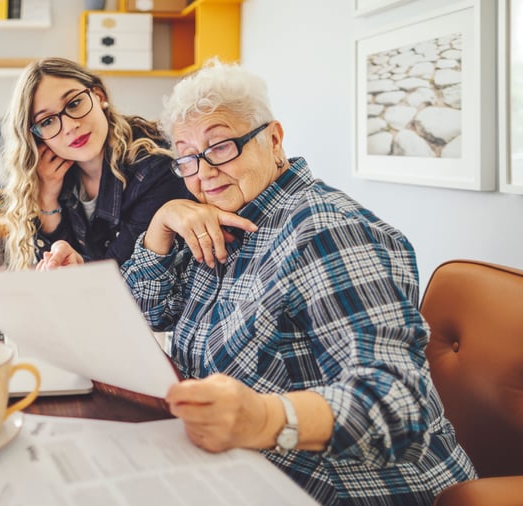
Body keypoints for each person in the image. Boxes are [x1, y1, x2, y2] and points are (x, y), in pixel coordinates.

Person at [120, 60, 477, 504]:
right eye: (187, 157)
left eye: (221, 146)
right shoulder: (229, 221)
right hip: (245, 472)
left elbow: (402, 405)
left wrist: (265, 418)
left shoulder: (325, 230)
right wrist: (159, 226)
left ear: (273, 140)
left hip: (345, 491)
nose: (204, 171)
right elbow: (150, 312)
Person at [0, 57, 189, 270]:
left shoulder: (154, 168)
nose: (70, 126)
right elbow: (58, 269)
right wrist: (47, 199)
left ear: (99, 97)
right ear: (37, 137)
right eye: (47, 121)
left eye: (74, 103)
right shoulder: (54, 174)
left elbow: (123, 277)